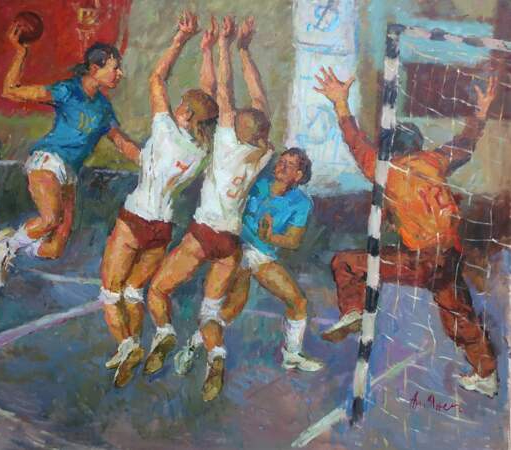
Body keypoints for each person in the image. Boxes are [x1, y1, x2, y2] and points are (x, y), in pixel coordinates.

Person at [314, 67, 499, 398]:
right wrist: (481, 112)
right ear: (418, 145)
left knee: (346, 262)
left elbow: (355, 141)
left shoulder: (386, 169)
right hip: (449, 257)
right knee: (458, 316)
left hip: (423, 259)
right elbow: (466, 142)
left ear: (389, 149)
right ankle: (486, 373)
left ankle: (354, 310)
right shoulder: (435, 160)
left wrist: (340, 102)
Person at [145, 16, 274, 401]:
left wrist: (222, 45)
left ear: (236, 127)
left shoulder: (225, 141)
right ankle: (216, 356)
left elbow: (223, 89)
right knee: (210, 314)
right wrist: (245, 49)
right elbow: (258, 100)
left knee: (158, 290)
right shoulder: (263, 152)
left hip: (203, 234)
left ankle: (164, 334)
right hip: (230, 244)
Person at [98, 11, 219, 388]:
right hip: (162, 227)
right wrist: (208, 51)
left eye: (182, 103)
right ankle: (141, 342)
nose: (177, 104)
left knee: (110, 291)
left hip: (135, 218)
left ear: (185, 112)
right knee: (134, 290)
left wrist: (180, 40)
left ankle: (127, 344)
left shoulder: (166, 130)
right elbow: (209, 99)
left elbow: (156, 77)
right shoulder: (201, 150)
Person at [0, 23, 139, 287]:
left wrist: (149, 162)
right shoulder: (67, 90)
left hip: (70, 172)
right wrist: (20, 53)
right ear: (95, 69)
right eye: (115, 68)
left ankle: (11, 242)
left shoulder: (103, 108)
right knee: (50, 219)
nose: (120, 74)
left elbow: (122, 142)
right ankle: (6, 248)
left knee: (55, 248)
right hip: (48, 159)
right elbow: (10, 90)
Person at [173, 148, 324, 375]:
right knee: (232, 307)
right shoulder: (256, 184)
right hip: (235, 247)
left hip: (262, 255)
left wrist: (269, 237)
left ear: (299, 175)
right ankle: (194, 346)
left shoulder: (302, 203)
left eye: (290, 165)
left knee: (298, 302)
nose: (282, 166)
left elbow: (293, 241)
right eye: (282, 161)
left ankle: (292, 354)